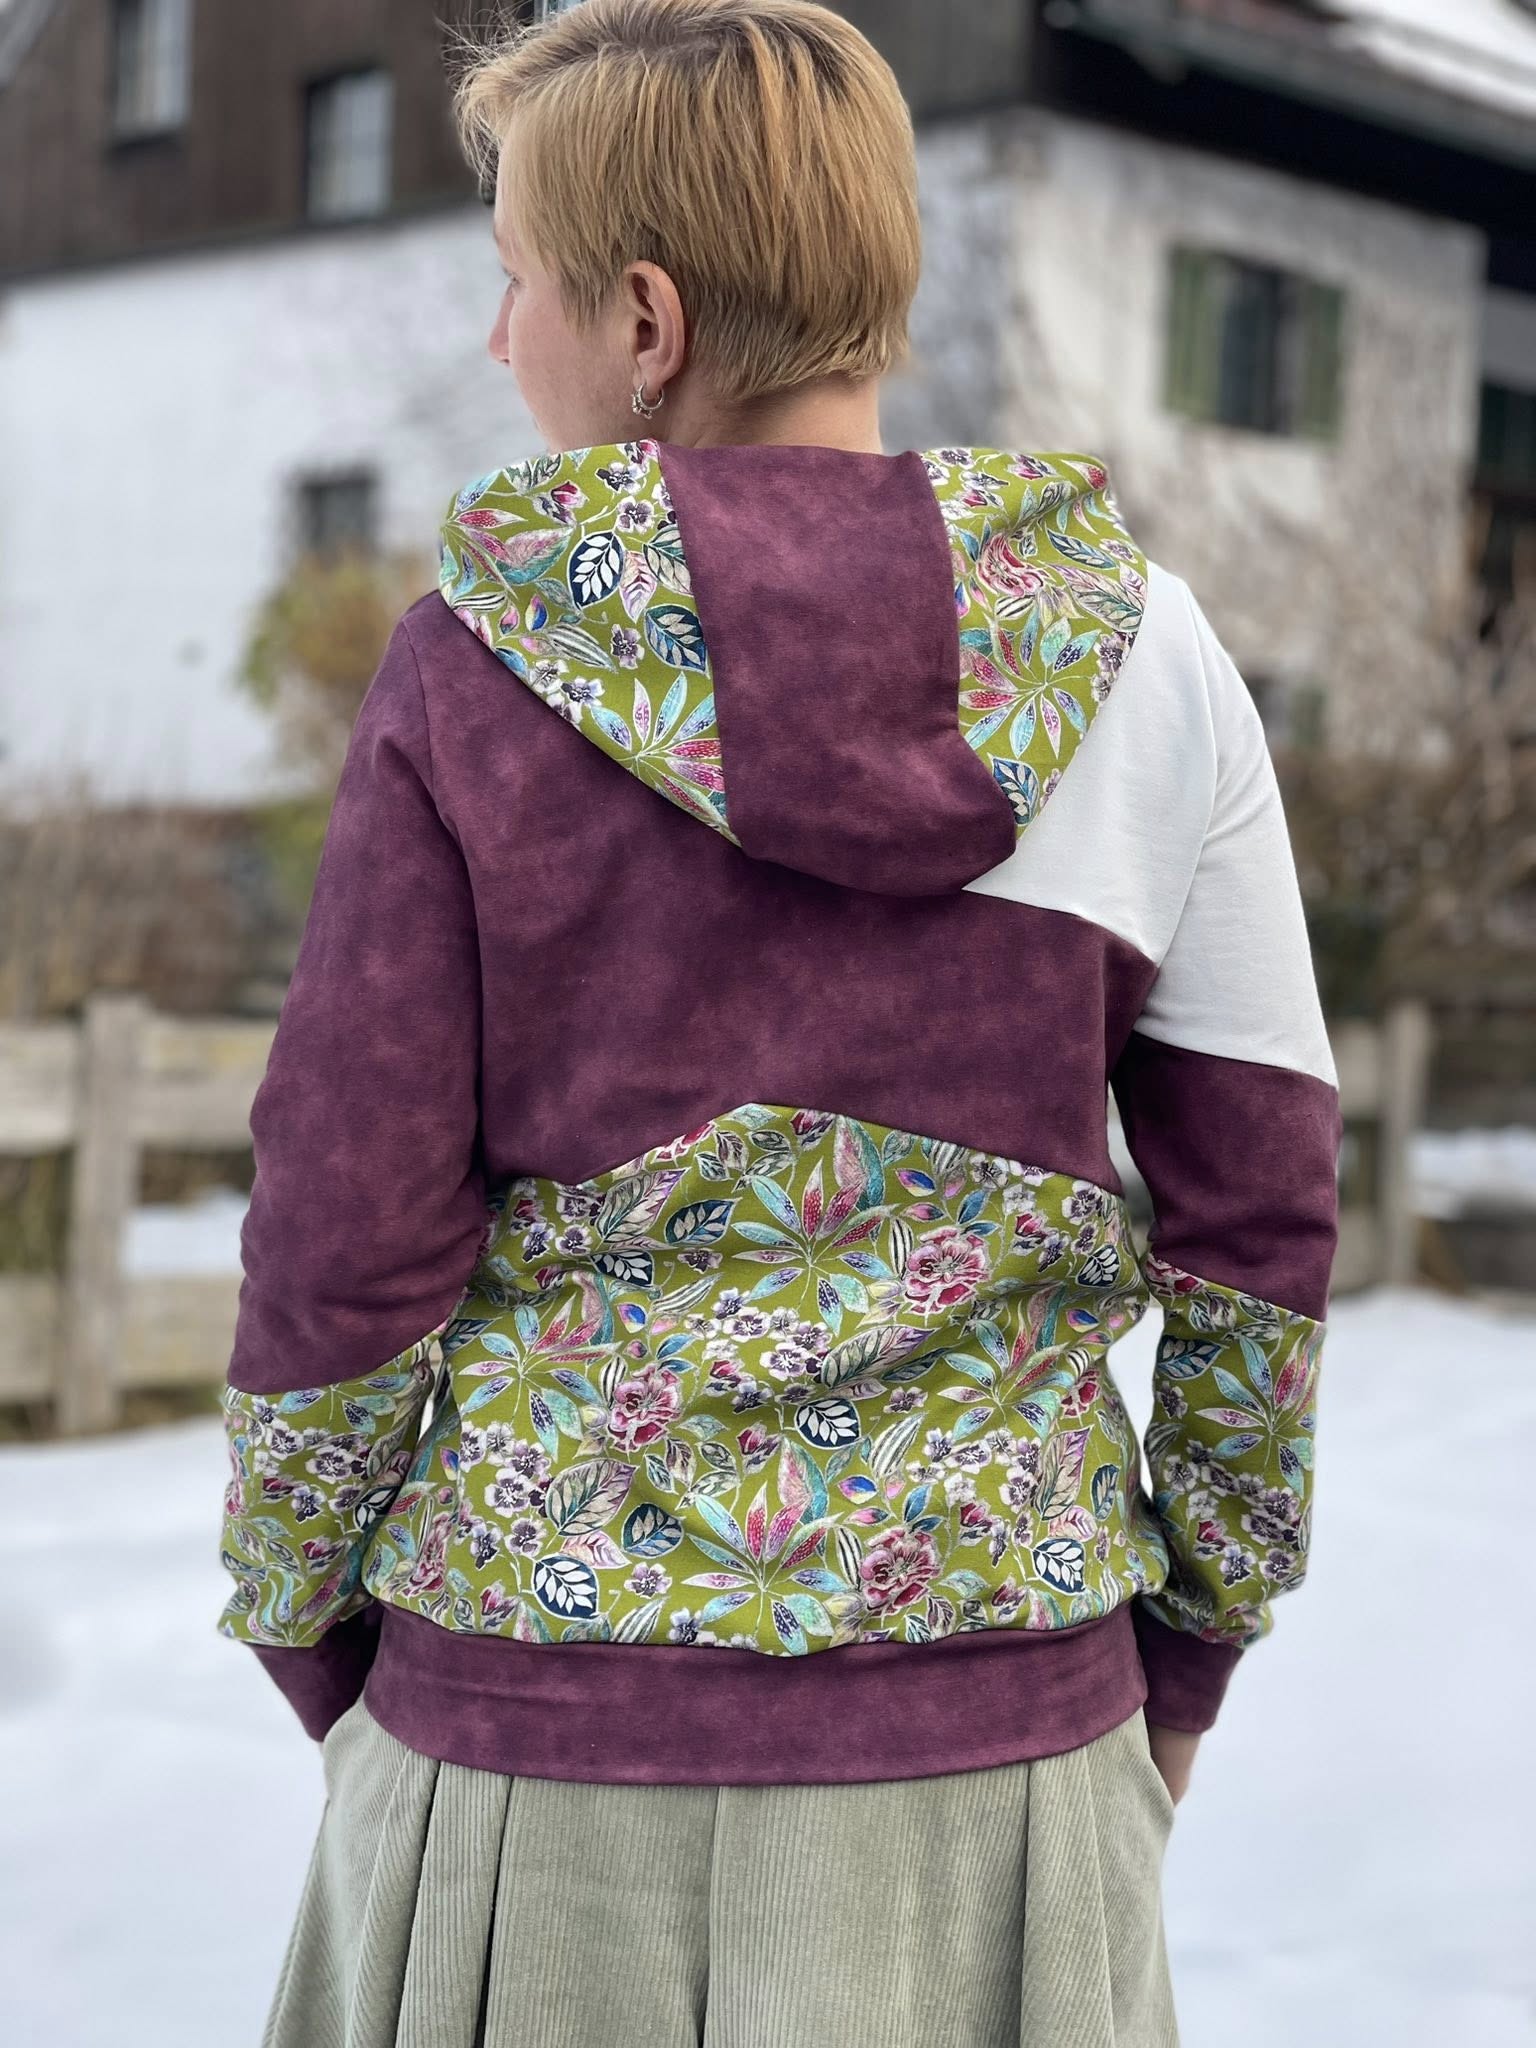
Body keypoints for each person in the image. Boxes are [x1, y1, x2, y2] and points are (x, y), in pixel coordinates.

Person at [215, 3, 1341, 2043]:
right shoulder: (1153, 661)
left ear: (644, 322)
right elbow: (1262, 1227)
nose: (500, 339)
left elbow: (342, 1226)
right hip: (1001, 1777)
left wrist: (316, 1629)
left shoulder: (473, 673)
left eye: (517, 282)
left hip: (531, 1762)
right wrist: (1184, 1653)